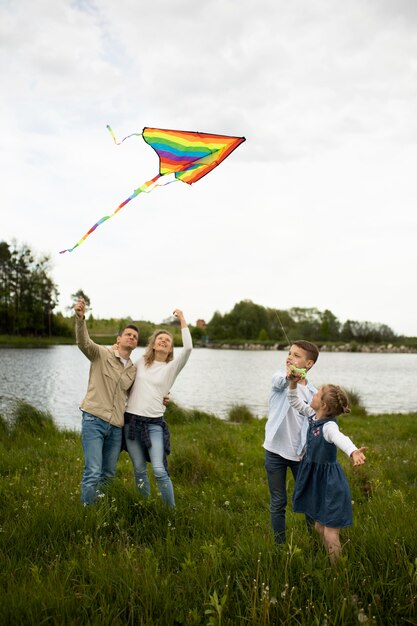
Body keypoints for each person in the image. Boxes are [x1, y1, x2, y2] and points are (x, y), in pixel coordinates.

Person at [287, 375, 366, 564]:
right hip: (317, 481)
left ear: (323, 405)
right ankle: (329, 559)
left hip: (330, 484)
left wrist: (353, 451)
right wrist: (292, 383)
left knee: (330, 532)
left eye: (317, 394)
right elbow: (293, 400)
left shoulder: (329, 426)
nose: (313, 395)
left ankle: (338, 572)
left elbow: (341, 438)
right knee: (319, 527)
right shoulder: (312, 415)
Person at [123, 309, 192, 507]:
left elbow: (188, 349)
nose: (163, 341)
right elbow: (122, 376)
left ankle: (170, 513)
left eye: (167, 341)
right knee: (138, 469)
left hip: (154, 424)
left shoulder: (172, 368)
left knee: (159, 469)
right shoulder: (139, 363)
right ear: (153, 345)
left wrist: (182, 320)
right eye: (160, 339)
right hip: (131, 423)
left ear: (170, 349)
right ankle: (144, 507)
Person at [74, 298, 138, 505]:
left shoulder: (134, 370)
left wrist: (163, 397)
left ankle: (101, 512)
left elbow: (140, 393)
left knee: (108, 475)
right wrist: (80, 317)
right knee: (93, 471)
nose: (132, 338)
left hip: (116, 428)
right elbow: (83, 342)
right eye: (128, 334)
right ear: (118, 339)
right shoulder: (101, 354)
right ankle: (87, 514)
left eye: (135, 337)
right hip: (94, 420)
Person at [263, 340, 319, 544]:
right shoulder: (280, 379)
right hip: (274, 452)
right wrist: (289, 376)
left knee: (308, 499)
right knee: (278, 501)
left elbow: (316, 421)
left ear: (309, 364)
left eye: (296, 355)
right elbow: (280, 381)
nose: (289, 357)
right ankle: (280, 545)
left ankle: (315, 542)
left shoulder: (314, 393)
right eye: (289, 353)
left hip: (300, 454)